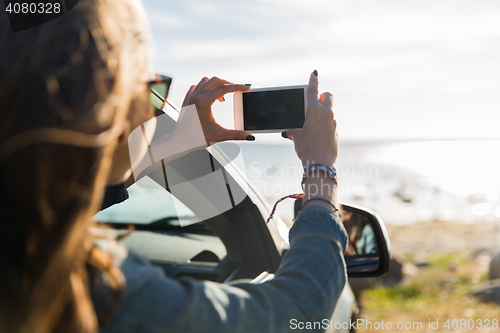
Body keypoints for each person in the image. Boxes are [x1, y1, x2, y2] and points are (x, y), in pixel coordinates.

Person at [0, 0, 348, 332]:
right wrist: (321, 169)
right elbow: (296, 312)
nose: (155, 104)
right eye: (151, 86)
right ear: (113, 117)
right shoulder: (88, 285)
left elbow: (63, 196)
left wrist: (180, 139)